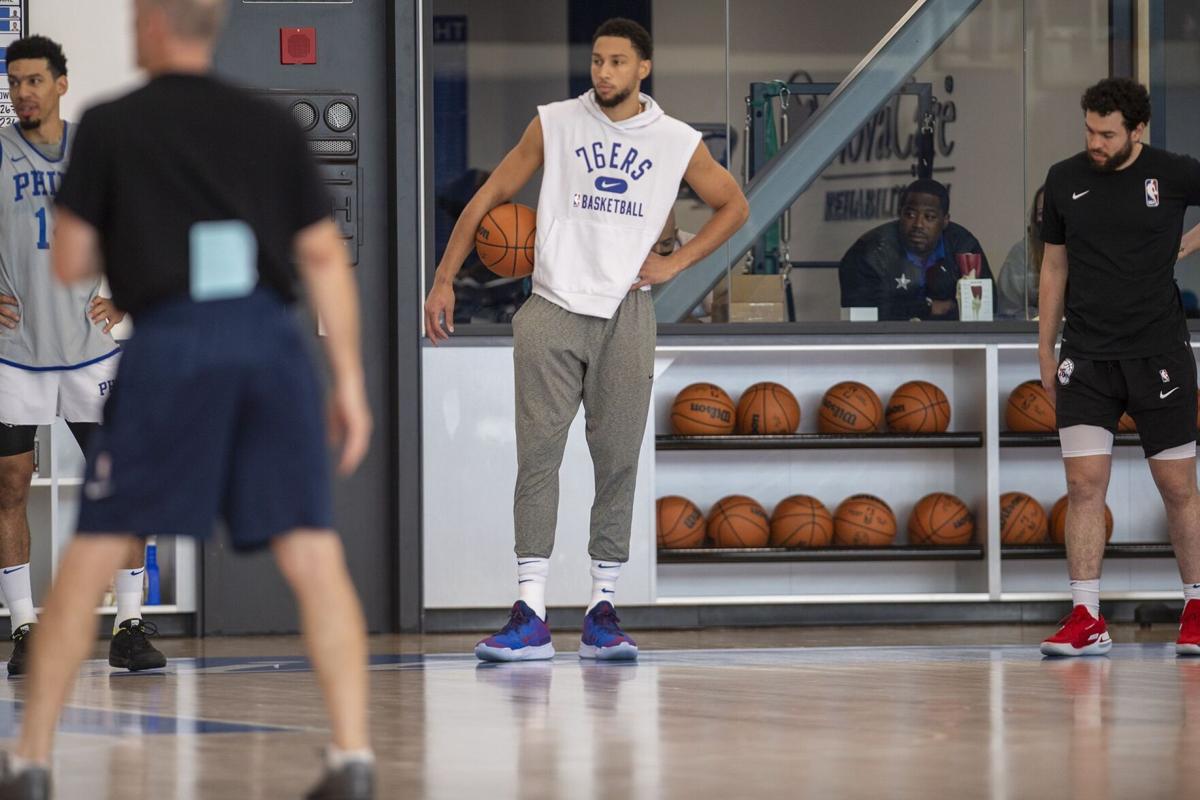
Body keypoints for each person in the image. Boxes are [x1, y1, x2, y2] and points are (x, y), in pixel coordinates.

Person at [0, 1, 375, 798]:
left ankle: (30, 761)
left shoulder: (111, 125)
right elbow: (323, 259)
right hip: (270, 346)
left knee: (93, 552)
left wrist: (135, 234)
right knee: (313, 554)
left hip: (173, 342)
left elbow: (68, 261)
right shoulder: (269, 126)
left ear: (152, 27)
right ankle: (353, 757)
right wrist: (348, 380)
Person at [424, 17, 748, 662]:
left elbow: (734, 205)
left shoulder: (676, 140)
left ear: (643, 69)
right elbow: (491, 193)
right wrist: (443, 277)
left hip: (628, 312)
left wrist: (675, 265)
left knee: (618, 463)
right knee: (537, 459)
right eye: (598, 61)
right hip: (550, 307)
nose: (603, 72)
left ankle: (603, 611)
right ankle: (531, 612)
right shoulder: (555, 122)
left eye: (617, 62)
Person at [0, 35, 164, 677]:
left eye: (35, 81)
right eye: (14, 83)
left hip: (91, 352)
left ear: (62, 84)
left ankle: (128, 624)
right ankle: (24, 628)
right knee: (9, 484)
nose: (23, 93)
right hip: (15, 353)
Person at [1037, 77, 1200, 658]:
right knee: (1083, 487)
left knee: (1177, 486)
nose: (1096, 142)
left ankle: (1197, 606)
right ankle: (1086, 615)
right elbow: (1054, 267)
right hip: (1086, 357)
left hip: (1158, 353)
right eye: (1089, 130)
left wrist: (1187, 243)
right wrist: (1044, 348)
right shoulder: (1064, 179)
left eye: (1107, 133)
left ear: (1137, 131)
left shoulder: (1173, 173)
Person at [838, 178, 993, 320]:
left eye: (930, 217)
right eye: (910, 215)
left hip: (949, 344)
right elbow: (862, 315)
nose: (918, 224)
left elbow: (986, 308)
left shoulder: (964, 246)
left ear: (945, 221)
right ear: (900, 214)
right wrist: (926, 308)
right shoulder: (869, 252)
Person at [996, 186, 1045, 319]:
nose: (1049, 218)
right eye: (1041, 213)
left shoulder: (1085, 251)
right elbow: (1009, 313)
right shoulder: (1022, 254)